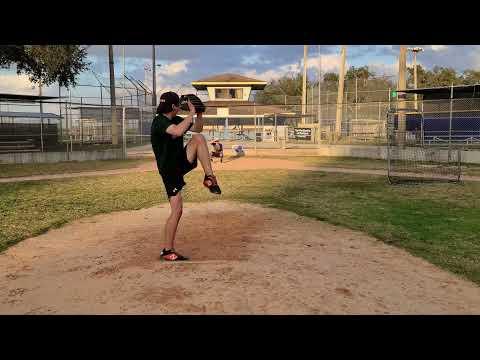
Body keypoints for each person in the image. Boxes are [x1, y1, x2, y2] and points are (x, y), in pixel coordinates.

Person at [151, 91, 221, 261]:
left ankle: (209, 177)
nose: (180, 108)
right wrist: (190, 113)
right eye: (178, 106)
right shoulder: (160, 121)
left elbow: (197, 128)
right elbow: (177, 131)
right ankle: (167, 250)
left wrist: (199, 113)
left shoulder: (173, 119)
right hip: (169, 170)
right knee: (177, 210)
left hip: (179, 162)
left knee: (198, 138)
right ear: (174, 107)